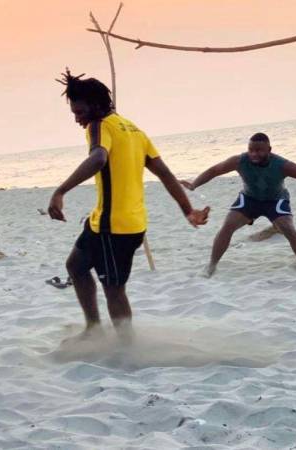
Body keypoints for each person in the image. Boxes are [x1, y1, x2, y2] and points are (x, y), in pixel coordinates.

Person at [49, 69, 209, 340]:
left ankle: (127, 343)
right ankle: (94, 328)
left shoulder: (99, 126)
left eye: (80, 113)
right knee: (75, 266)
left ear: (96, 107)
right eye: (74, 113)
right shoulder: (134, 129)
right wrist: (188, 211)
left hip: (116, 228)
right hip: (108, 222)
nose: (78, 119)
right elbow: (166, 175)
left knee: (113, 287)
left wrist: (61, 190)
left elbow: (98, 158)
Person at [181, 132, 296, 276]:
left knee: (289, 229)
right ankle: (211, 266)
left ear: (269, 150)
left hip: (275, 200)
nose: (254, 154)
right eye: (251, 150)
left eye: (259, 150)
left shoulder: (283, 165)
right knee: (228, 226)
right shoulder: (239, 161)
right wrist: (195, 184)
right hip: (249, 199)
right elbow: (214, 170)